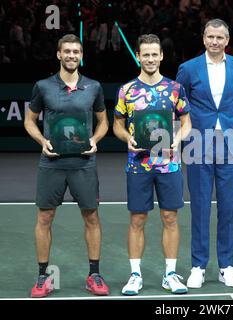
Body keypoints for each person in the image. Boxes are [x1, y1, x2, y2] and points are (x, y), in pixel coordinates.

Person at [24, 34, 110, 298]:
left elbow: (103, 121)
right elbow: (29, 120)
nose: (72, 55)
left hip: (84, 163)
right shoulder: (43, 86)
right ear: (59, 55)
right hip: (52, 163)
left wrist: (95, 140)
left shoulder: (93, 87)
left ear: (81, 56)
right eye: (67, 51)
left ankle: (94, 275)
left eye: (76, 52)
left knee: (91, 217)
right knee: (44, 218)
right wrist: (42, 140)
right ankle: (43, 278)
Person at [113, 34, 192, 295]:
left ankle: (170, 274)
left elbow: (187, 123)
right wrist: (128, 138)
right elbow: (117, 126)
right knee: (138, 218)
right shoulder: (126, 90)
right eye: (144, 54)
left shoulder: (175, 88)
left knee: (170, 217)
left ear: (161, 56)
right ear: (138, 56)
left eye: (154, 54)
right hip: (138, 165)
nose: (149, 58)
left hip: (168, 165)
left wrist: (177, 141)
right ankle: (135, 275)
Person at [176, 18, 233, 288]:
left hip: (230, 140)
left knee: (228, 206)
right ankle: (198, 266)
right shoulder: (188, 68)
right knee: (200, 205)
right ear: (203, 38)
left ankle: (227, 266)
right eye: (210, 37)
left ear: (227, 40)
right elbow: (180, 105)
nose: (214, 42)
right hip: (197, 142)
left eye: (219, 37)